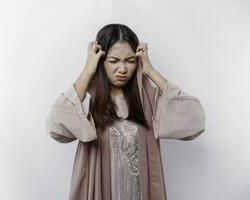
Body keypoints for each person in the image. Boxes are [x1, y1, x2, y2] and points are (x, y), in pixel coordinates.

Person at [46, 23, 206, 200]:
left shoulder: (150, 102)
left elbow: (195, 120)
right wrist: (88, 70)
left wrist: (151, 71)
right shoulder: (90, 102)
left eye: (130, 61)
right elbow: (55, 127)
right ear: (101, 61)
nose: (122, 69)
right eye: (114, 61)